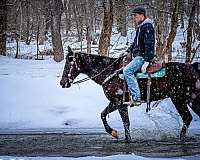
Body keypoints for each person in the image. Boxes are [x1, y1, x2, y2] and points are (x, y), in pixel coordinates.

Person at [123, 6, 155, 106]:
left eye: (135, 15)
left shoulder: (147, 26)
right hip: (137, 55)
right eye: (133, 16)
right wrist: (128, 50)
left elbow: (150, 44)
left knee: (127, 71)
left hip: (141, 57)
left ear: (142, 15)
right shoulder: (141, 27)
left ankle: (136, 98)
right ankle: (127, 97)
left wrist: (147, 60)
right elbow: (136, 43)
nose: (134, 18)